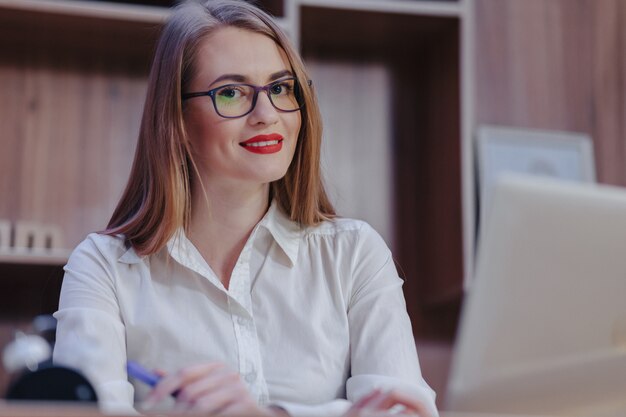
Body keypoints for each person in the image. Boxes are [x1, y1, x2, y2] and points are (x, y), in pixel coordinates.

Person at [53, 1, 438, 416]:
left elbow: (407, 411)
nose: (267, 115)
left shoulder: (354, 254)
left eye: (281, 88)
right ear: (177, 121)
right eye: (231, 93)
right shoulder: (103, 268)